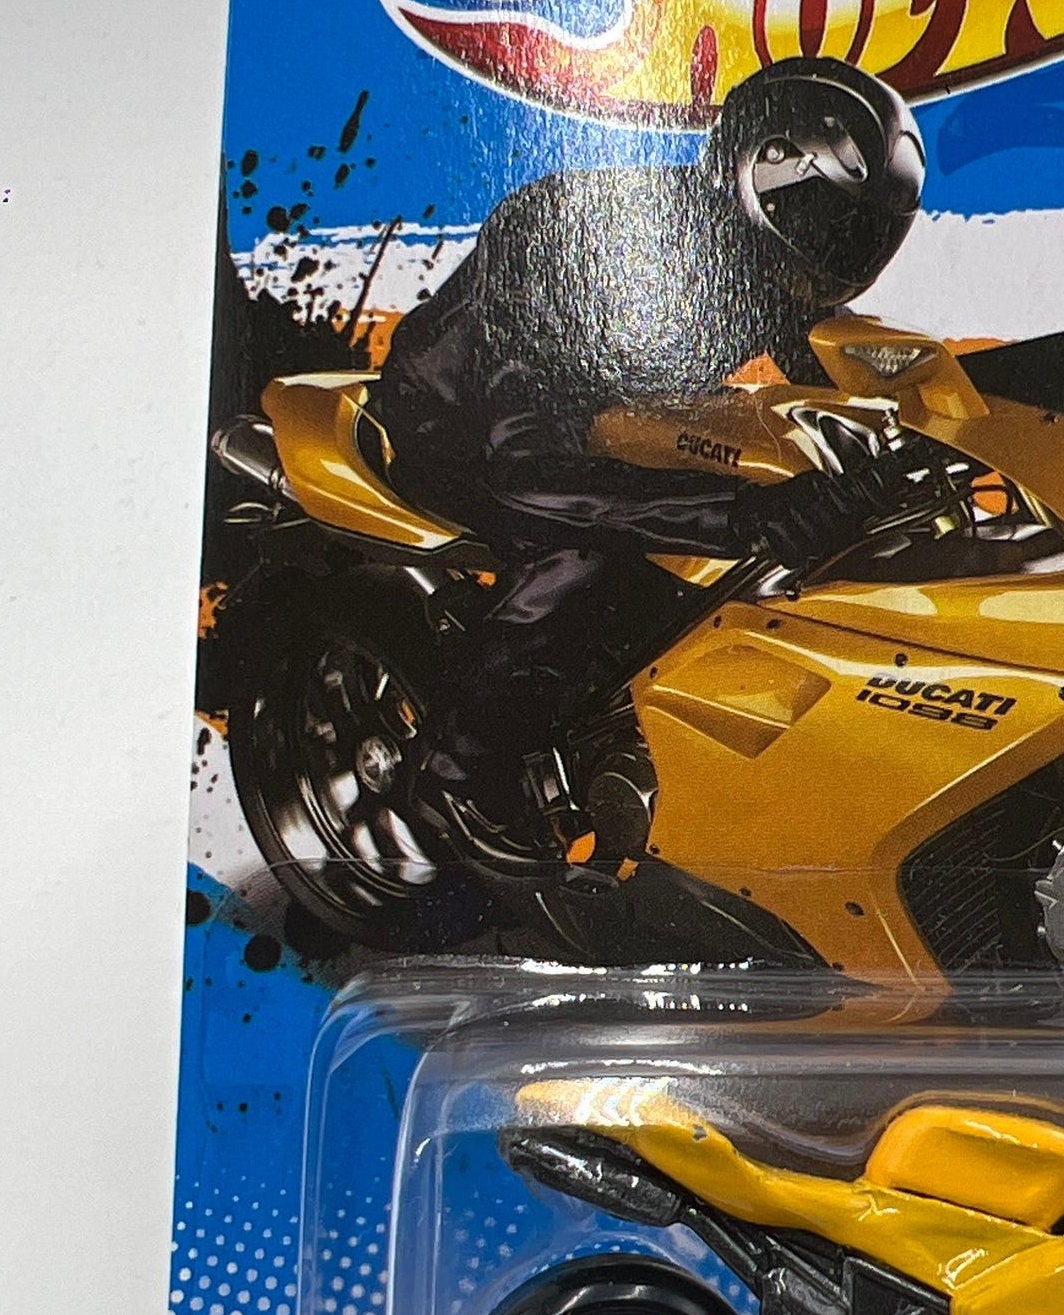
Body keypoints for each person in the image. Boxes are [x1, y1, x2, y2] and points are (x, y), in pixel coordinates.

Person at [369, 57, 930, 862]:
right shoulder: (571, 237)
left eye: (860, 231)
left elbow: (828, 368)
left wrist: (924, 434)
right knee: (580, 556)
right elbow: (531, 472)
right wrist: (747, 515)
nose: (839, 249)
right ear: (759, 172)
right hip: (459, 425)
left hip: (604, 420)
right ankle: (452, 779)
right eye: (824, 219)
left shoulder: (760, 261)